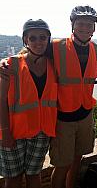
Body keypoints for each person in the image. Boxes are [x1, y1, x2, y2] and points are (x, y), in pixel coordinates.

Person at [49, 5, 97, 188]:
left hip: (85, 114)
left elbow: (94, 68)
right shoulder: (56, 47)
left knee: (77, 159)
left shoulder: (96, 49)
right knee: (62, 165)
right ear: (73, 25)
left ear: (94, 28)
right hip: (63, 116)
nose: (85, 28)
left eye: (89, 25)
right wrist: (5, 63)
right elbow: (29, 55)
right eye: (81, 24)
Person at [0, 19, 57, 188]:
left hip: (41, 131)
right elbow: (1, 99)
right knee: (13, 178)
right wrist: (4, 132)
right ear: (25, 40)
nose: (38, 42)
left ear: (48, 39)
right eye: (33, 38)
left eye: (42, 37)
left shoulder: (54, 65)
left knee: (34, 175)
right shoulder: (11, 64)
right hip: (14, 131)